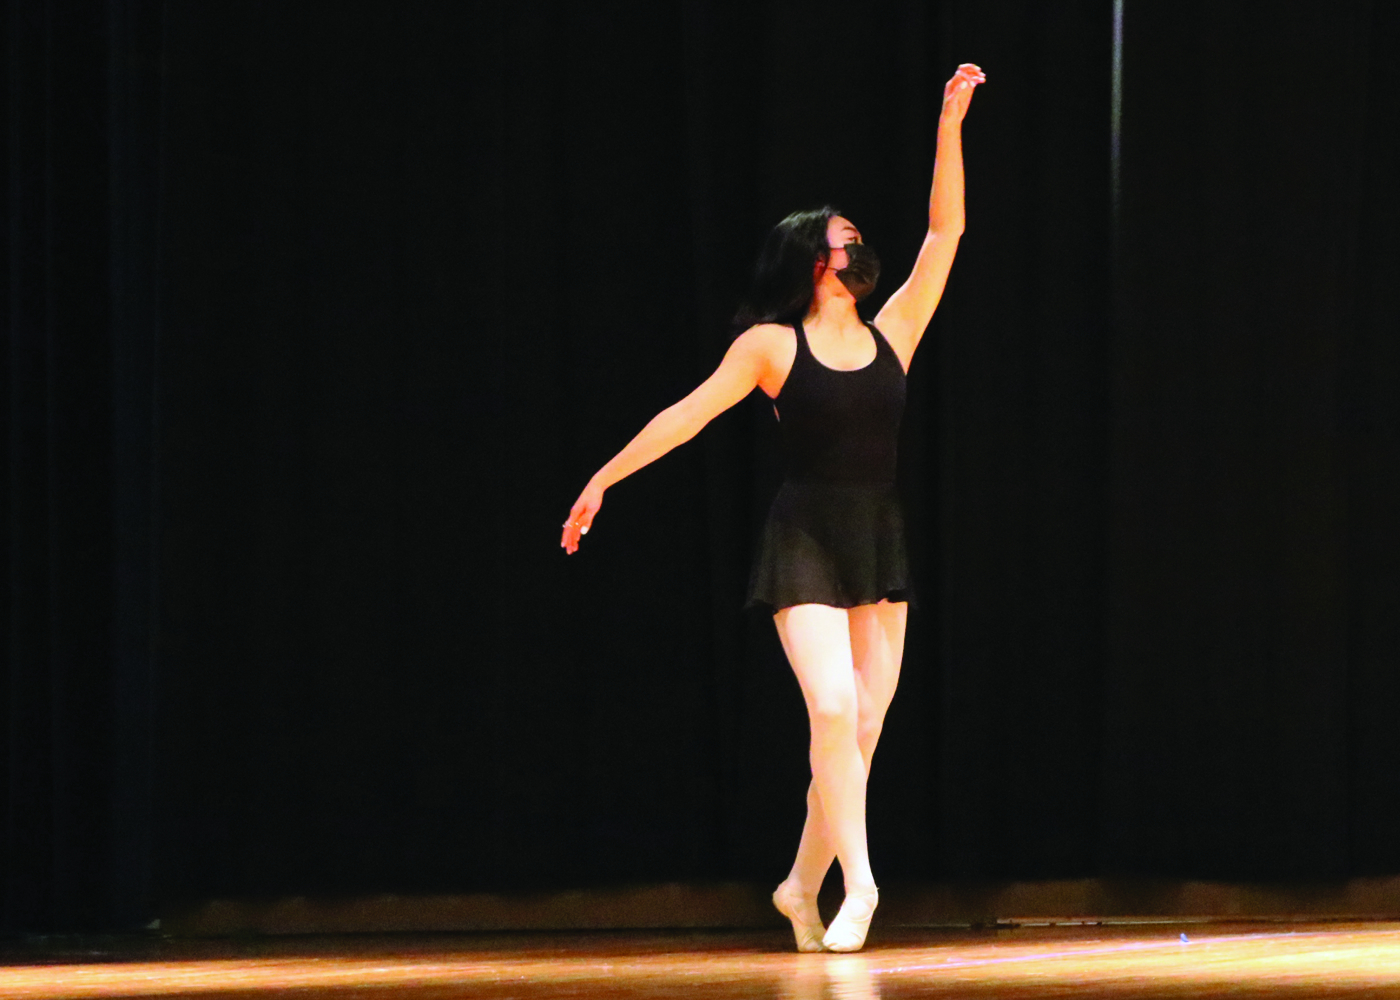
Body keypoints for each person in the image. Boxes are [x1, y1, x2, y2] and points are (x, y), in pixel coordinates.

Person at [561, 63, 984, 952]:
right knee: (831, 710)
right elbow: (687, 415)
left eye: (858, 236)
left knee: (861, 728)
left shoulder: (895, 330)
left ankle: (797, 885)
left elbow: (945, 232)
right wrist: (605, 477)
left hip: (876, 534)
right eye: (844, 239)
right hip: (805, 539)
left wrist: (950, 123)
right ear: (811, 260)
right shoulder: (770, 345)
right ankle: (860, 887)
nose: (858, 247)